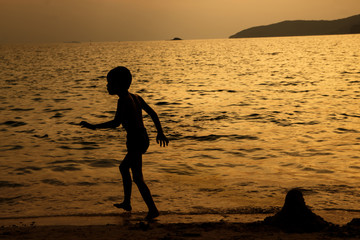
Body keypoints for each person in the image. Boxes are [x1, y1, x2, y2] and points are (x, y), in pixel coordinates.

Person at [80, 66, 169, 220]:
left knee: (137, 178)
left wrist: (94, 126)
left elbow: (116, 123)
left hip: (136, 139)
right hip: (142, 137)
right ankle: (127, 202)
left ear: (119, 84)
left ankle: (152, 209)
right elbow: (153, 113)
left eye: (110, 83)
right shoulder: (136, 97)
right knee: (124, 168)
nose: (107, 86)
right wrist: (159, 132)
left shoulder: (123, 100)